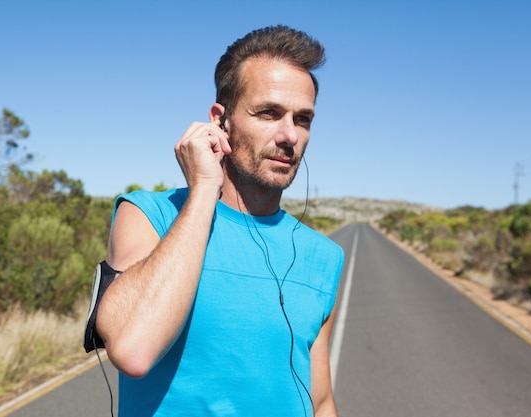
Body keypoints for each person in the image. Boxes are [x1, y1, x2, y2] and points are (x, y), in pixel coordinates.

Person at [95, 25, 344, 416]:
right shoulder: (149, 216)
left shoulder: (323, 256)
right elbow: (132, 350)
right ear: (220, 120)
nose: (289, 135)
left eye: (303, 119)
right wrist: (204, 190)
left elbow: (321, 400)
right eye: (268, 113)